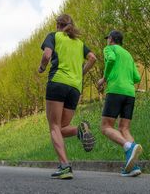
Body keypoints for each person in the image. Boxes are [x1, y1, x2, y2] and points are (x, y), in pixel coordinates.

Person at [39, 14, 96, 179]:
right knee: (62, 128)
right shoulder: (79, 43)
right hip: (75, 88)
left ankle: (65, 166)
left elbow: (47, 55)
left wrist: (42, 67)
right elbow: (93, 58)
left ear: (58, 25)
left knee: (54, 127)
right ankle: (79, 130)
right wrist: (81, 73)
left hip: (58, 82)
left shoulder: (53, 36)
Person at [98, 30, 143, 177]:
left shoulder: (109, 49)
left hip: (116, 90)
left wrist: (104, 79)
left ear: (111, 39)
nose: (107, 41)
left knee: (105, 127)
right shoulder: (128, 54)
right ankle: (133, 166)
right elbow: (137, 77)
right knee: (124, 128)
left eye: (107, 38)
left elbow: (110, 60)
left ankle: (128, 147)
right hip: (130, 93)